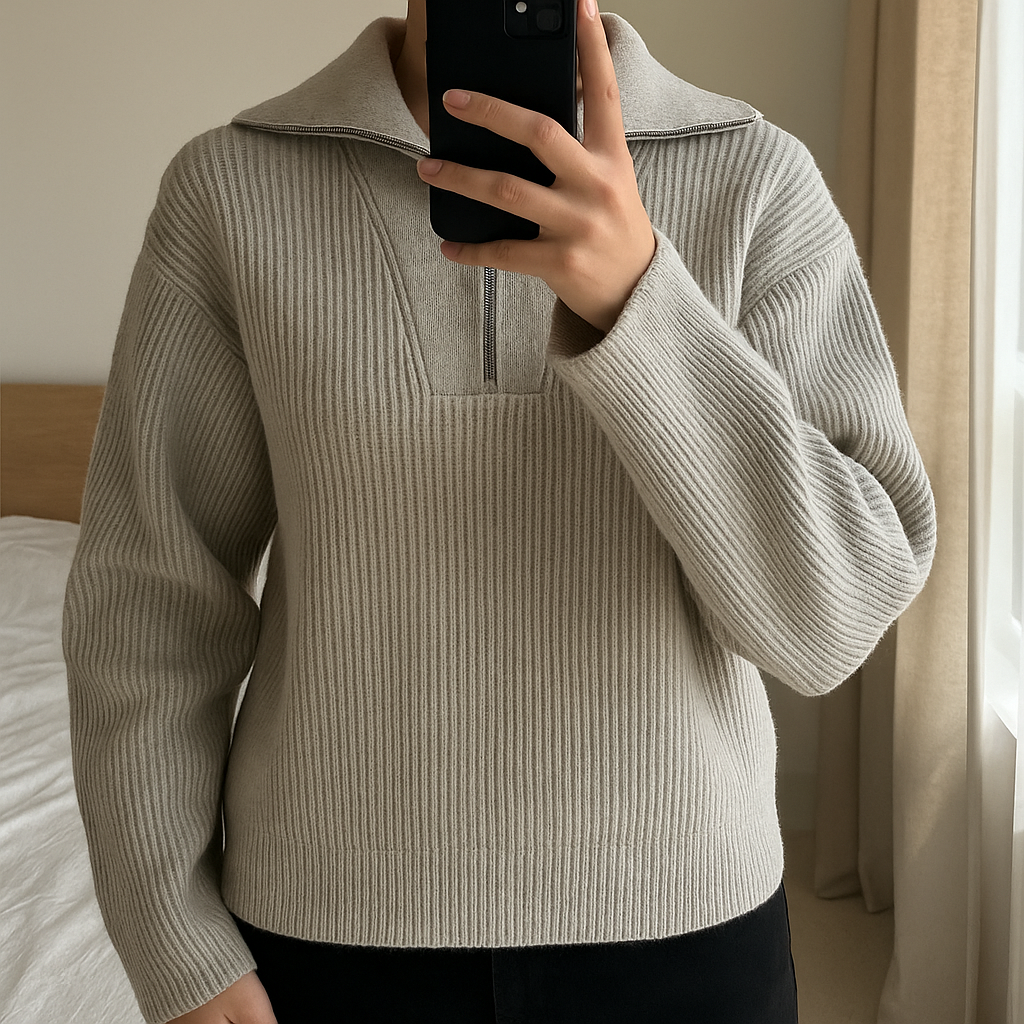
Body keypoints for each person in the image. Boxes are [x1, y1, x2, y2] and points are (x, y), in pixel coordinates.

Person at [62, 0, 937, 1022]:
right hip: (328, 936)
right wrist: (173, 939)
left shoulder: (754, 177)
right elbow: (149, 604)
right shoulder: (232, 190)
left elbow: (830, 624)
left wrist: (642, 304)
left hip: (684, 939)